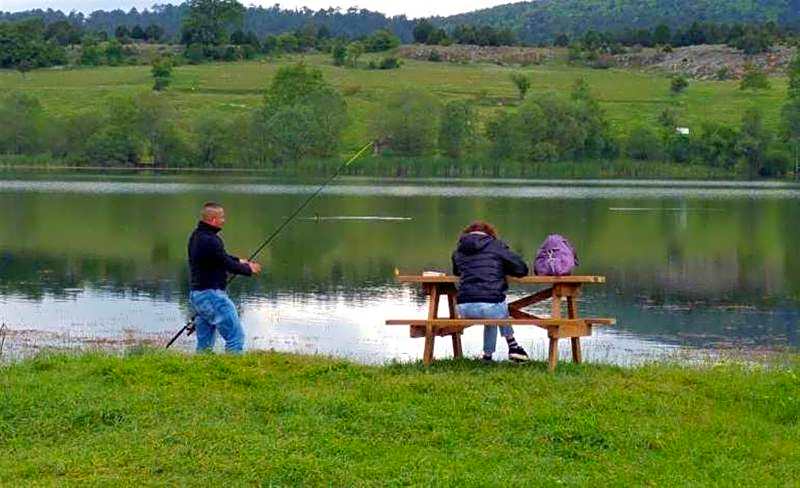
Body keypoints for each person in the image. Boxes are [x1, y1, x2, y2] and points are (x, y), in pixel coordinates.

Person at [188, 201, 261, 353]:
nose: (224, 220)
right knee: (235, 337)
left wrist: (239, 261)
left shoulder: (196, 236)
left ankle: (202, 366)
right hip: (212, 295)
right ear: (213, 219)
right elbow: (225, 263)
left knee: (205, 343)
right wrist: (248, 269)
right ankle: (233, 366)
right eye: (222, 217)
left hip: (198, 296)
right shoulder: (211, 240)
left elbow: (219, 257)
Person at [452, 221, 530, 363]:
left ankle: (488, 356)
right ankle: (513, 346)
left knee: (493, 306)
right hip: (490, 307)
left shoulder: (459, 250)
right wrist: (501, 268)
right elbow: (521, 269)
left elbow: (457, 271)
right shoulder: (496, 246)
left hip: (463, 308)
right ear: (490, 234)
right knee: (496, 305)